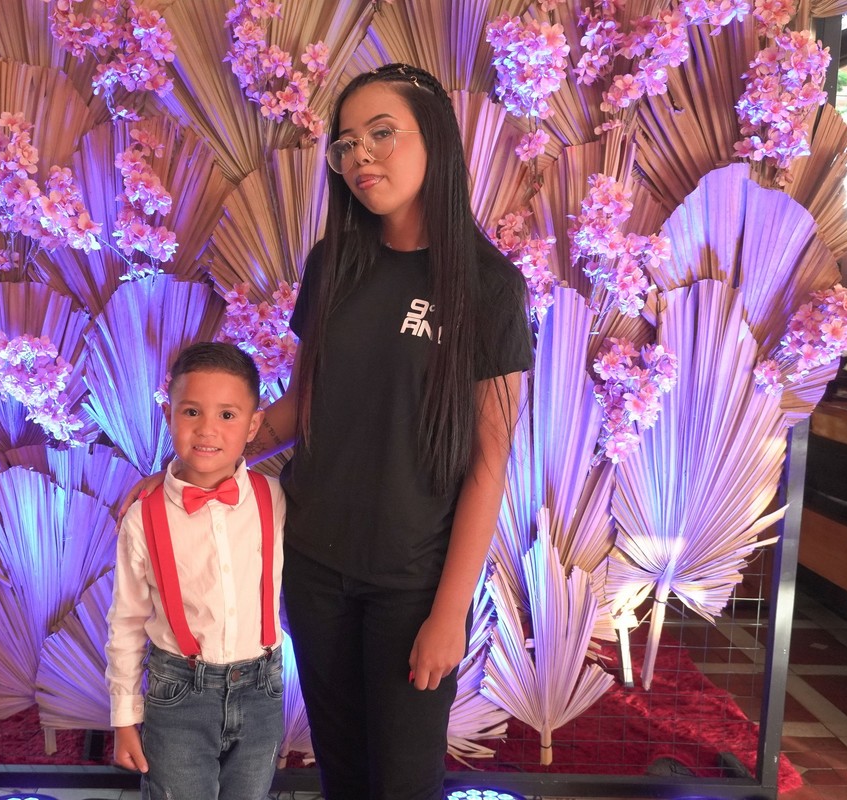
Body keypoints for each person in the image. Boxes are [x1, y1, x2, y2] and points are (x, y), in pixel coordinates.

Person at [121, 62, 532, 800]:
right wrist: (193, 464)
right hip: (314, 571)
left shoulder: (489, 286)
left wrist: (449, 612)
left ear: (435, 139)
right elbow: (301, 406)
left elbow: (488, 462)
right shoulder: (333, 263)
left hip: (412, 583)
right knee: (342, 773)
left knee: (403, 784)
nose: (360, 156)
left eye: (382, 134)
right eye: (345, 144)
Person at [106, 341, 286, 800]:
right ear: (168, 414)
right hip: (178, 697)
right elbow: (126, 621)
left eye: (227, 415)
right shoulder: (143, 516)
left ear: (253, 425)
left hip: (262, 692)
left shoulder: (275, 498)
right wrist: (124, 718)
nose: (207, 429)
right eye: (191, 412)